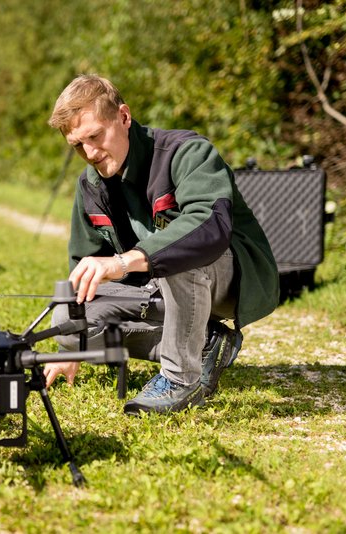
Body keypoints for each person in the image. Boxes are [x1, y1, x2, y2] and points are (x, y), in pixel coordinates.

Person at [44, 74, 279, 414]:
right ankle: (207, 344)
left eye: (95, 136)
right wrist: (69, 349)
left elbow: (207, 228)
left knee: (178, 253)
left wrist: (124, 262)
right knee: (68, 317)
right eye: (78, 145)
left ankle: (181, 378)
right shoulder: (90, 185)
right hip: (159, 290)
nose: (90, 153)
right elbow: (85, 264)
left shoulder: (187, 152)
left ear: (123, 117)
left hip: (228, 279)